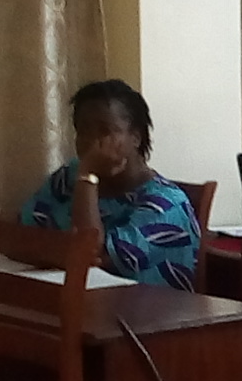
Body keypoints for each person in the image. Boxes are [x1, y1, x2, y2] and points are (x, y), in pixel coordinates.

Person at [20, 79, 202, 290]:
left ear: (135, 138)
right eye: (83, 130)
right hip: (80, 307)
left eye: (104, 131)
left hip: (143, 317)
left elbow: (89, 255)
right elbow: (18, 235)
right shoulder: (69, 178)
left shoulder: (166, 206)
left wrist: (88, 176)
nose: (91, 141)